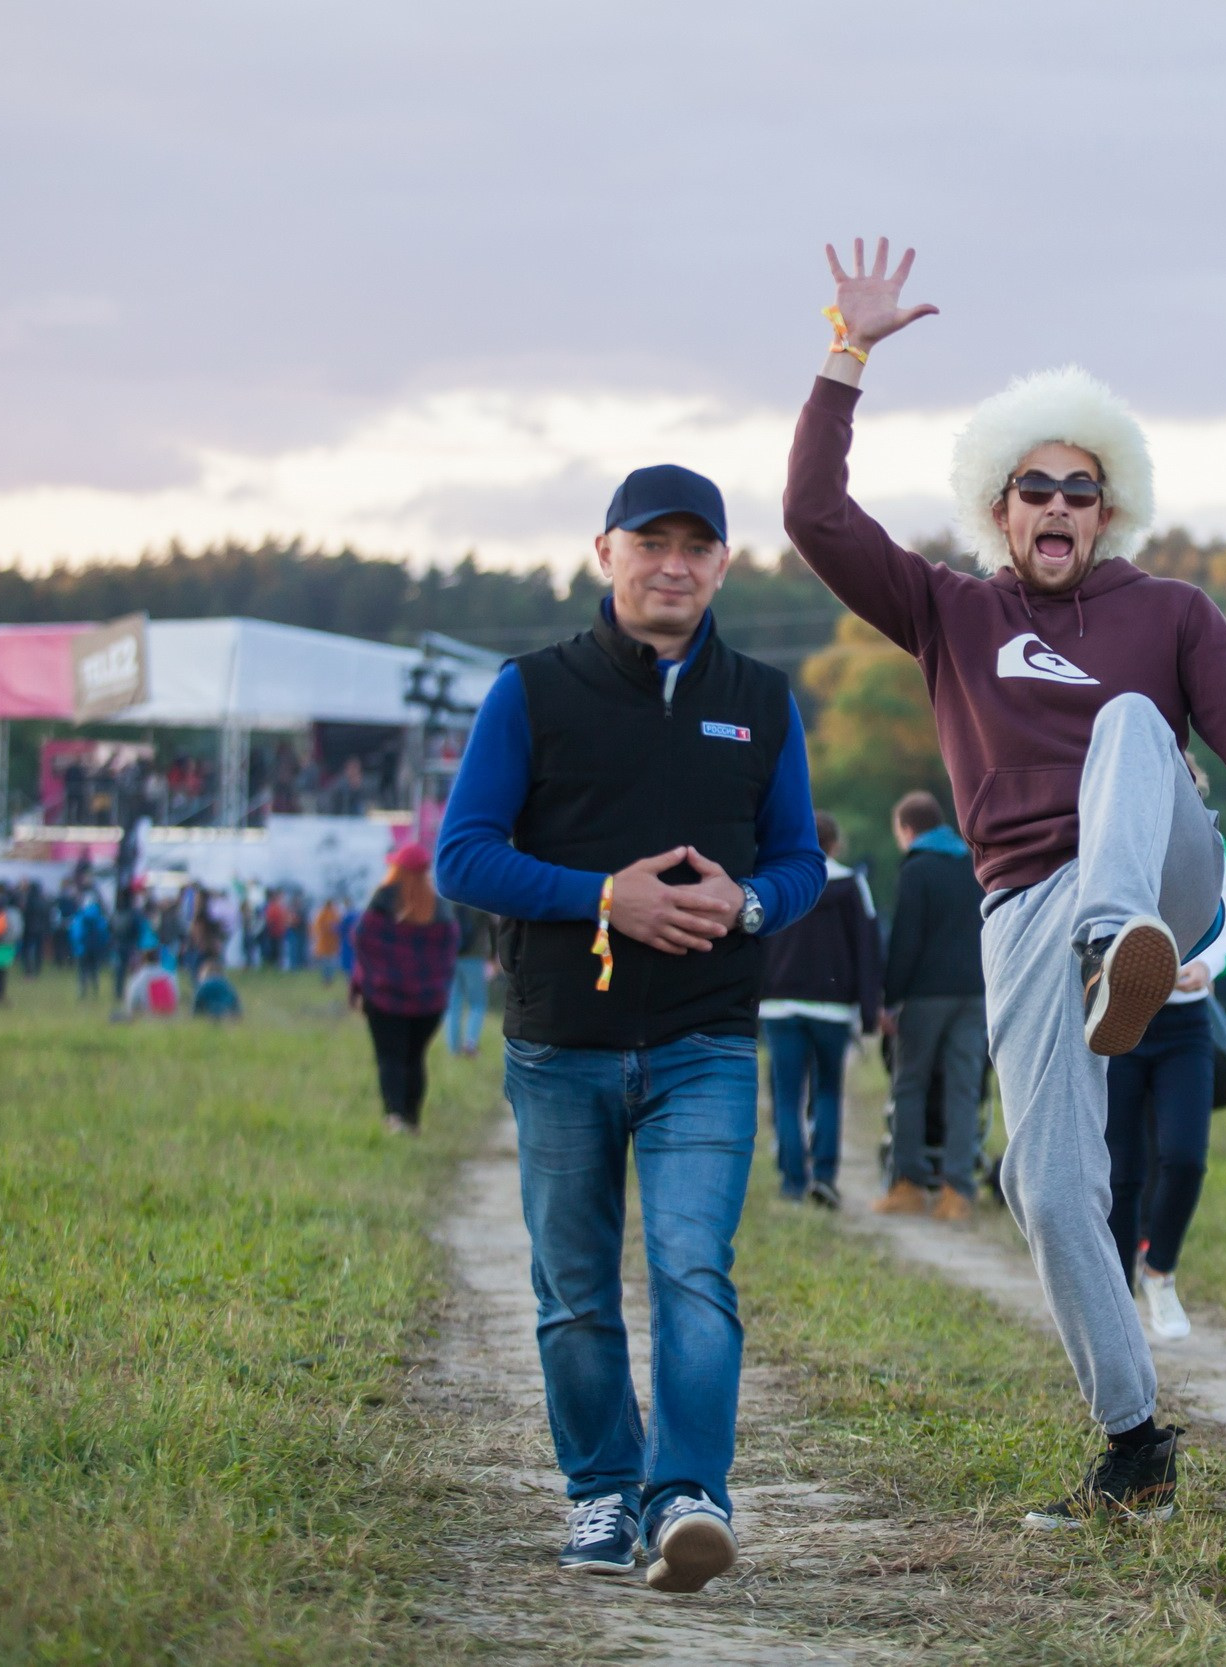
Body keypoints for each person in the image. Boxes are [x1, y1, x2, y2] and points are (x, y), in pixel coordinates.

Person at [784, 237, 1226, 1529]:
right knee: (1045, 1188)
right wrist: (848, 356)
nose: (1058, 505)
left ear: (1108, 512)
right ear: (1000, 507)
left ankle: (1123, 945)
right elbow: (816, 520)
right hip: (1024, 909)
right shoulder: (950, 613)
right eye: (1035, 487)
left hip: (1159, 869)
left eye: (1082, 489)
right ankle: (1136, 1446)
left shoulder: (1170, 613)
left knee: (1125, 724)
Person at [437, 460, 824, 1591]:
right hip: (561, 1041)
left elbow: (800, 860)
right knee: (573, 1284)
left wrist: (749, 903)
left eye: (696, 546)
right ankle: (602, 1488)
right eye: (650, 542)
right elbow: (464, 855)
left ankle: (688, 1493)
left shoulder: (762, 698)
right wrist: (608, 896)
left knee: (695, 1267)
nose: (673, 565)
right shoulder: (530, 691)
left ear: (723, 565)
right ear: (604, 552)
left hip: (708, 1039)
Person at [1106, 811, 1226, 1342]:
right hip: (1120, 1016)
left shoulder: (1211, 841)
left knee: (1186, 1158)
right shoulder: (1114, 829)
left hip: (1186, 1025)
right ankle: (1116, 1303)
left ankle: (1159, 1272)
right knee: (1122, 1172)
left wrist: (1206, 967)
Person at [874, 789, 988, 1219]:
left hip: (925, 995)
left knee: (910, 1085)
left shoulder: (916, 868)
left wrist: (890, 999)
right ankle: (957, 1191)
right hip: (974, 993)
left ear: (906, 829)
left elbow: (905, 939)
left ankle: (908, 1184)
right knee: (964, 1089)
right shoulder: (973, 864)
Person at [759, 811, 882, 1206]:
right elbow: (867, 950)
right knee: (828, 1091)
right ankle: (825, 1176)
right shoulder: (851, 885)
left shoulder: (776, 881)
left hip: (779, 1005)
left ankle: (793, 1182)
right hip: (832, 1008)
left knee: (787, 1095)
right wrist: (869, 1013)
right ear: (835, 844)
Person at [351, 847, 461, 1133]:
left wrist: (365, 986)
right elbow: (448, 954)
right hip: (428, 1003)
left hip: (384, 999)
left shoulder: (381, 904)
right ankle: (412, 1119)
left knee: (390, 1057)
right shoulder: (440, 910)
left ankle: (395, 1116)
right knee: (414, 1058)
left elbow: (363, 944)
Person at [446, 900, 497, 1058]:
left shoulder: (450, 901)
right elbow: (493, 928)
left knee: (453, 1004)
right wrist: (492, 957)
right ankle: (470, 1044)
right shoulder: (479, 902)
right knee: (477, 1003)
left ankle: (454, 1049)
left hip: (451, 957)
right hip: (474, 959)